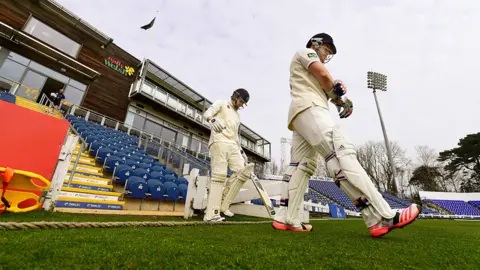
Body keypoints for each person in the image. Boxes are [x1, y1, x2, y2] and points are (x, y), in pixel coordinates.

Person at [272, 33, 421, 236]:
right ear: (315, 44)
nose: (326, 56)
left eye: (329, 54)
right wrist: (338, 92)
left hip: (299, 115)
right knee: (340, 155)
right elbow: (325, 77)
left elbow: (328, 87)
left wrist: (340, 97)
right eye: (326, 50)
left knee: (301, 166)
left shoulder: (308, 76)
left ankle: (287, 218)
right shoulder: (305, 52)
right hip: (310, 108)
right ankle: (383, 215)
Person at [202, 88, 253, 222]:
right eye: (241, 101)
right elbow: (207, 112)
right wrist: (211, 120)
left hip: (233, 145)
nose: (241, 105)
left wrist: (241, 151)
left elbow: (235, 135)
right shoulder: (222, 103)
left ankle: (223, 205)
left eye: (243, 103)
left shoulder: (237, 116)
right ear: (236, 96)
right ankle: (211, 214)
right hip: (219, 140)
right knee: (219, 175)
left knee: (242, 172)